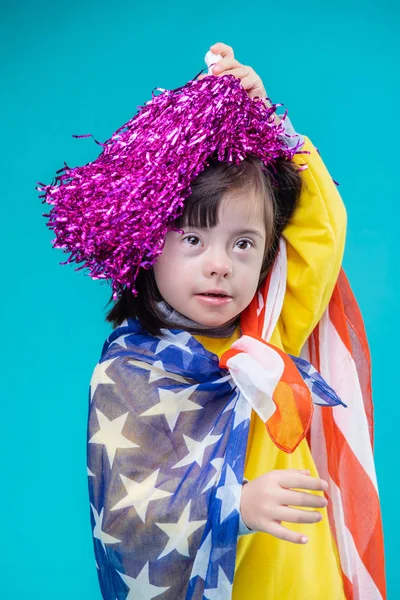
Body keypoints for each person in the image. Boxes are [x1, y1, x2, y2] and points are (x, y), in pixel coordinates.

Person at [39, 42, 386, 599]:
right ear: (148, 244)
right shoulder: (128, 373)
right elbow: (127, 520)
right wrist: (236, 506)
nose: (221, 265)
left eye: (244, 243)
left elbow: (323, 229)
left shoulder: (270, 333)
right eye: (195, 239)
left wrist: (273, 124)